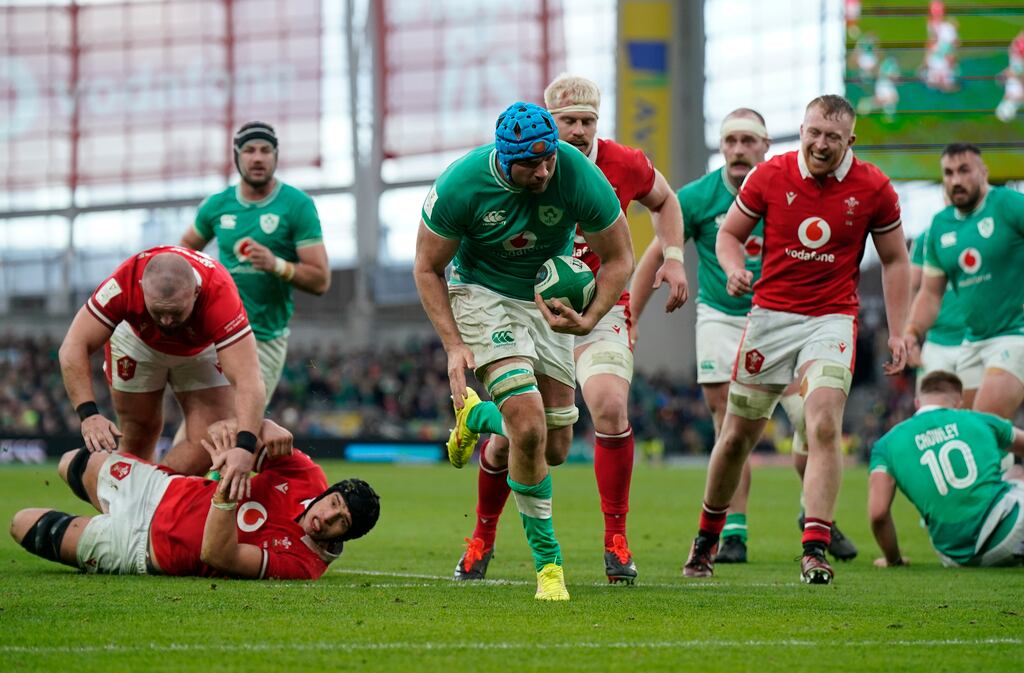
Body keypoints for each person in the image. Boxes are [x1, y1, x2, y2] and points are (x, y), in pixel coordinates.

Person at [448, 75, 687, 586]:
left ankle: (616, 541)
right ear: (548, 122)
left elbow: (664, 202)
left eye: (588, 120)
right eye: (569, 121)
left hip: (600, 303)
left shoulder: (622, 163)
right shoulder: (510, 172)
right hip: (527, 301)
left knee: (602, 411)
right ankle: (482, 537)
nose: (579, 131)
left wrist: (672, 256)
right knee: (526, 427)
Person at [681, 95, 910, 585]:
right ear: (801, 131)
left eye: (832, 136)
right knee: (738, 435)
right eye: (812, 132)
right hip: (770, 319)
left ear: (850, 140)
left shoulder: (875, 188)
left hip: (831, 319)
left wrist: (899, 329)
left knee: (823, 422)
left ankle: (815, 547)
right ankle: (707, 536)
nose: (820, 143)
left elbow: (894, 260)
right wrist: (734, 268)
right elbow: (729, 236)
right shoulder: (771, 175)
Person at [413, 101, 634, 600]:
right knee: (529, 425)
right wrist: (453, 346)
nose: (544, 171)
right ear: (503, 156)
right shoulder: (460, 185)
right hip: (483, 298)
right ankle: (549, 568)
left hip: (547, 298)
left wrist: (592, 317)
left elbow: (621, 257)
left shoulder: (575, 172)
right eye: (530, 165)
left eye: (548, 160)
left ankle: (476, 419)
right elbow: (427, 268)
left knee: (552, 447)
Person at [631, 109, 858, 565]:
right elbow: (657, 255)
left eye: (747, 141)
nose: (737, 150)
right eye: (730, 141)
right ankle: (734, 530)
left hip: (786, 318)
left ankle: (814, 516)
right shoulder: (698, 197)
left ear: (765, 146)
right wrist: (629, 319)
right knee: (728, 424)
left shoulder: (788, 185)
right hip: (722, 316)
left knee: (813, 424)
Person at [10, 419, 380, 579]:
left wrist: (224, 483)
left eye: (340, 523)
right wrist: (267, 427)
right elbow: (247, 432)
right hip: (161, 488)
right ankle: (100, 507)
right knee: (70, 462)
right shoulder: (307, 476)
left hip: (142, 548)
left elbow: (217, 555)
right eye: (333, 504)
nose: (327, 517)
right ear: (327, 492)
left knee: (22, 524)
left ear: (342, 537)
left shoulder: (303, 566)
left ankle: (97, 525)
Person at [57, 245, 265, 495]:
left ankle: (147, 504)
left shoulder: (220, 295)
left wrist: (244, 446)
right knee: (138, 432)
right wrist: (88, 413)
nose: (166, 321)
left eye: (175, 312)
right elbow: (72, 346)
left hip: (201, 349)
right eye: (158, 311)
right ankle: (138, 508)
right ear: (141, 286)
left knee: (208, 445)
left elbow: (248, 380)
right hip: (136, 341)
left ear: (196, 293)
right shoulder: (124, 282)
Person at [180, 121, 330, 406]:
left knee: (238, 427)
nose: (257, 157)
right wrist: (204, 276)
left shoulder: (297, 205)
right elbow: (183, 252)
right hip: (217, 332)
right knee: (208, 425)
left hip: (264, 339)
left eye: (265, 150)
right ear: (237, 156)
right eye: (249, 150)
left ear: (276, 156)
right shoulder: (217, 205)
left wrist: (277, 265)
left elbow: (321, 280)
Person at [905, 143, 1024, 421]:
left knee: (980, 426)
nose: (955, 180)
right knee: (961, 429)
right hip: (972, 342)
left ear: (983, 172)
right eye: (948, 173)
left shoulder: (1007, 204)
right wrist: (911, 331)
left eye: (964, 170)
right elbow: (930, 294)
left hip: (1015, 335)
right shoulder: (939, 226)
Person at [869, 370, 1024, 568]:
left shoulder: (886, 445)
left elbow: (878, 514)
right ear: (959, 402)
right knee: (1017, 472)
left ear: (917, 402)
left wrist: (894, 561)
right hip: (1011, 530)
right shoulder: (979, 420)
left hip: (955, 556)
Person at [908, 228, 970, 400]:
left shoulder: (993, 226)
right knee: (930, 412)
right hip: (937, 344)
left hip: (980, 341)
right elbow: (911, 286)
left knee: (979, 416)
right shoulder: (927, 237)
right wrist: (910, 336)